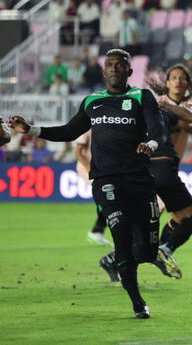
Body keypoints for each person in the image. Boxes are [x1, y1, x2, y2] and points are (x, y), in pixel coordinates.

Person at [9, 49, 164, 319]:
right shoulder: (92, 101)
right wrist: (31, 130)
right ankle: (137, 301)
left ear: (129, 72)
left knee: (148, 251)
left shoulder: (141, 97)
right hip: (106, 180)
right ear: (104, 72)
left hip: (140, 181)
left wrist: (150, 144)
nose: (115, 69)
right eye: (110, 65)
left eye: (120, 65)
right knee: (121, 234)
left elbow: (157, 128)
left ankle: (120, 262)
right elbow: (69, 131)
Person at [147, 64, 192, 279]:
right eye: (174, 77)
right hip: (157, 165)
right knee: (183, 218)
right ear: (167, 83)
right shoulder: (155, 104)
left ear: (187, 84)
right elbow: (188, 123)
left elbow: (190, 119)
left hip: (169, 166)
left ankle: (158, 251)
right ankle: (160, 251)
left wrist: (174, 114)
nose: (178, 81)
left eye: (182, 78)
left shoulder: (189, 103)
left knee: (177, 219)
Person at [76, 130, 112, 246]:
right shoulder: (86, 130)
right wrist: (89, 168)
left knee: (109, 199)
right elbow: (78, 153)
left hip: (101, 168)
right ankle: (97, 230)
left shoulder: (105, 127)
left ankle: (98, 230)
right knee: (106, 197)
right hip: (87, 168)